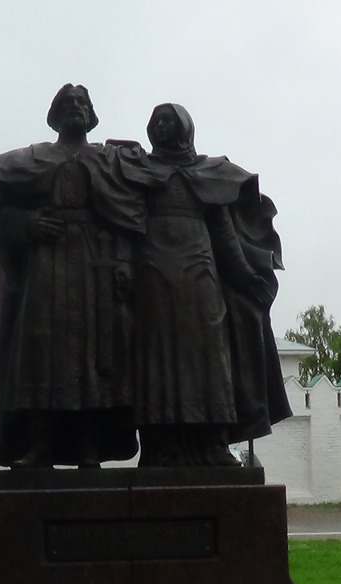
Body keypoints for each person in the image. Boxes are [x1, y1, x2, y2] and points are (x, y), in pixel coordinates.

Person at [0, 84, 146, 468]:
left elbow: (130, 217)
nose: (76, 108)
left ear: (91, 114)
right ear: (55, 114)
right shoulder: (30, 160)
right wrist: (27, 223)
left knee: (95, 358)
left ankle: (90, 449)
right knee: (40, 352)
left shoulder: (109, 162)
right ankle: (39, 445)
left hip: (96, 268)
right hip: (46, 265)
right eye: (68, 103)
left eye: (82, 103)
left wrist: (125, 262)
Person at [116, 103, 290, 466]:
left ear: (185, 127)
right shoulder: (140, 170)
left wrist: (246, 276)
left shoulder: (210, 174)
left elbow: (224, 234)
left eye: (168, 120)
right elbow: (125, 222)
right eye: (156, 120)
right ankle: (159, 447)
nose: (161, 126)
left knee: (210, 353)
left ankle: (214, 443)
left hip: (200, 272)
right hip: (154, 273)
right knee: (157, 357)